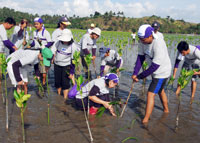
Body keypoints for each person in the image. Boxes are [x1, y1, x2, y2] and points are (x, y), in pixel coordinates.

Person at [132, 24, 171, 124]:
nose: (141, 41)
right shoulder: (142, 41)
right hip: (155, 71)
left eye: (143, 39)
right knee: (160, 91)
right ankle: (166, 111)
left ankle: (145, 120)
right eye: (140, 39)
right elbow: (140, 58)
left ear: (151, 36)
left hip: (162, 71)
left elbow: (154, 67)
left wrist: (140, 77)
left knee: (150, 94)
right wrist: (135, 73)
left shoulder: (159, 44)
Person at [52, 29, 80, 100]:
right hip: (57, 64)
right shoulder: (58, 42)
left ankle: (64, 99)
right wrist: (52, 59)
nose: (64, 41)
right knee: (57, 82)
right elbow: (53, 52)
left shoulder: (73, 46)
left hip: (66, 66)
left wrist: (71, 72)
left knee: (65, 83)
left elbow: (73, 60)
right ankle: (58, 96)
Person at [29, 17, 53, 86]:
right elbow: (34, 43)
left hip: (44, 53)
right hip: (36, 52)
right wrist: (30, 45)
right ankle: (39, 84)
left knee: (44, 71)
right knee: (37, 69)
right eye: (35, 24)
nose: (36, 25)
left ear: (41, 24)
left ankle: (43, 83)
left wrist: (43, 48)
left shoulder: (46, 33)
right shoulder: (34, 32)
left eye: (37, 24)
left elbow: (50, 43)